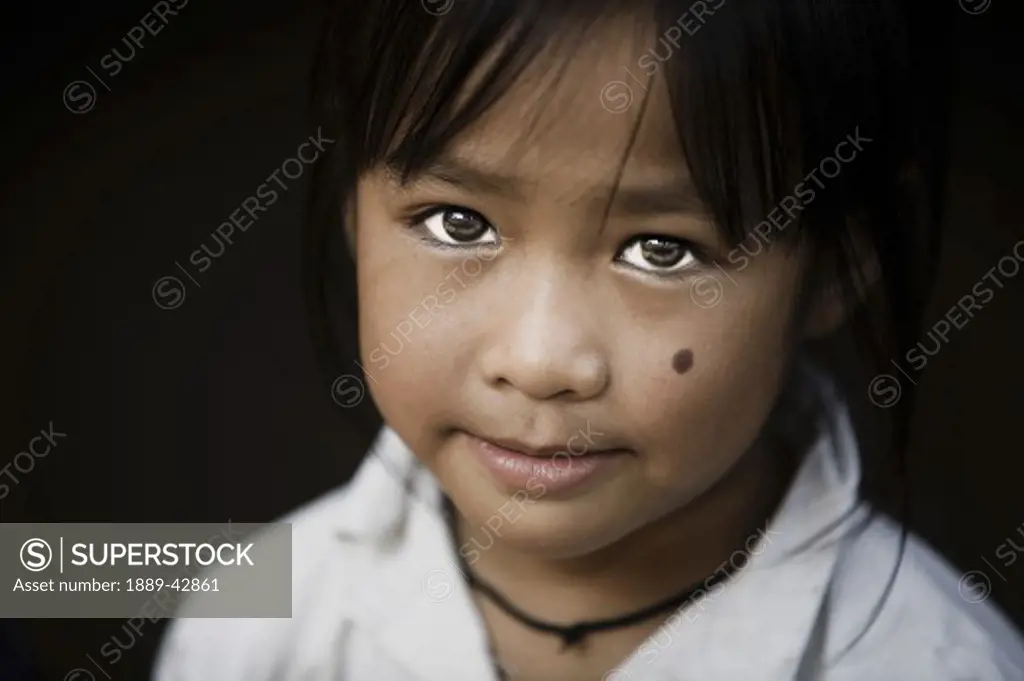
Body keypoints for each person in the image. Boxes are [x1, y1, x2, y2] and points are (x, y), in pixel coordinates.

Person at [153, 0, 1024, 679]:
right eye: (458, 223)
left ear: (837, 268)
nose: (537, 362)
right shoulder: (256, 614)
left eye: (662, 249)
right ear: (352, 206)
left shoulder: (939, 658)